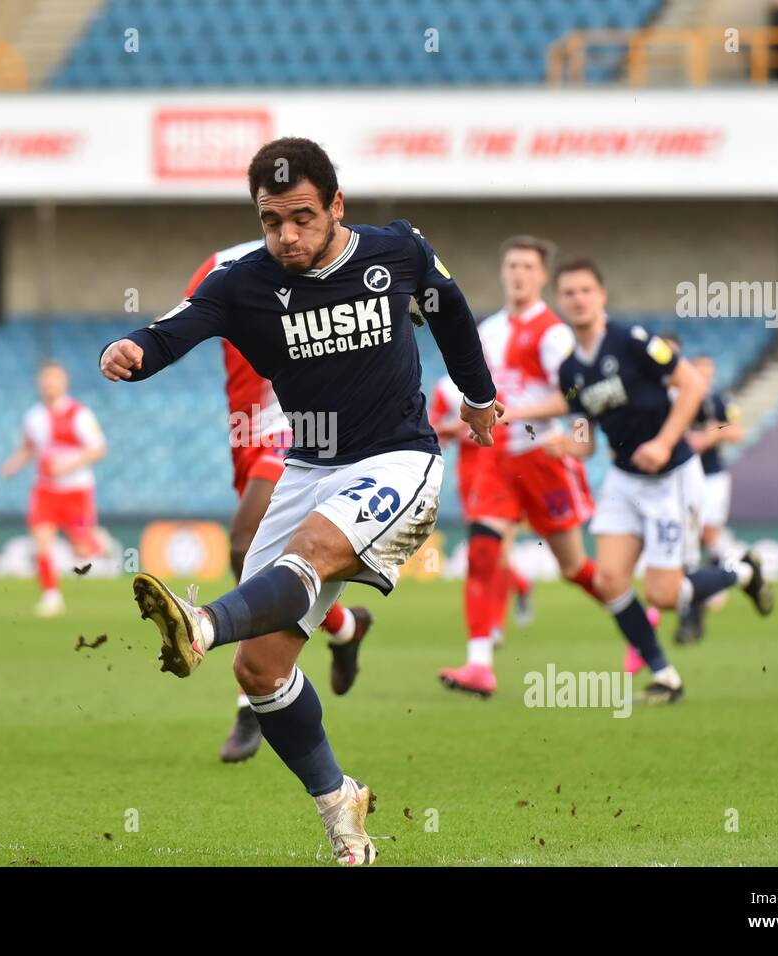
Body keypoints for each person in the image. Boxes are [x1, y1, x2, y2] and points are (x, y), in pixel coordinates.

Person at [100, 137, 499, 864]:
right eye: (271, 219)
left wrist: (479, 396)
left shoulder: (399, 251)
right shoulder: (241, 282)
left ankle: (201, 623)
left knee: (310, 554)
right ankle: (339, 804)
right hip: (309, 467)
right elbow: (173, 330)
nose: (287, 234)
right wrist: (129, 351)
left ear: (336, 206)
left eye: (303, 217)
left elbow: (451, 311)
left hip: (398, 460)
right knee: (260, 673)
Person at [515, 258, 773, 703]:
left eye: (585, 291)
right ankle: (665, 676)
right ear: (560, 301)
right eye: (569, 293)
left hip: (671, 476)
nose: (578, 299)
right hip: (623, 479)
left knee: (665, 595)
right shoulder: (571, 372)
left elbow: (691, 385)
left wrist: (664, 441)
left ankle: (742, 571)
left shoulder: (632, 342)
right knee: (610, 581)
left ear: (602, 297)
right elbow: (586, 438)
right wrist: (562, 445)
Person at [182, 243, 373, 764]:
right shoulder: (221, 265)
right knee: (266, 557)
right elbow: (184, 325)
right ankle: (346, 627)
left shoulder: (338, 257)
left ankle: (250, 701)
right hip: (247, 432)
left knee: (246, 545)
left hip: (302, 425)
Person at [437, 236, 601, 698]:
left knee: (573, 567)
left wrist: (515, 413)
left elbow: (573, 395)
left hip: (542, 457)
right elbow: (468, 392)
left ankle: (630, 610)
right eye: (511, 265)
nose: (518, 273)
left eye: (528, 266)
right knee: (484, 549)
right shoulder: (487, 330)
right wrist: (455, 422)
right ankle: (479, 664)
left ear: (542, 276)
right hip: (496, 459)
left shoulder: (554, 333)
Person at [0, 362, 107, 617]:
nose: (49, 385)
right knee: (41, 542)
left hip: (76, 491)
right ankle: (51, 595)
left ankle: (98, 544)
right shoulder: (33, 417)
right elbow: (29, 447)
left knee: (81, 547)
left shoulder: (81, 415)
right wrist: (13, 465)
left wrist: (69, 465)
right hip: (45, 490)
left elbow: (98, 449)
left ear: (64, 383)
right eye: (46, 379)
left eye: (54, 379)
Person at [675, 350, 744, 643]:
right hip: (683, 477)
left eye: (708, 372)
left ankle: (730, 573)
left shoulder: (719, 402)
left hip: (712, 477)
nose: (705, 377)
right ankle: (700, 594)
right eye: (699, 371)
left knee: (707, 533)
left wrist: (712, 435)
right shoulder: (679, 399)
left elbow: (736, 430)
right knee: (689, 537)